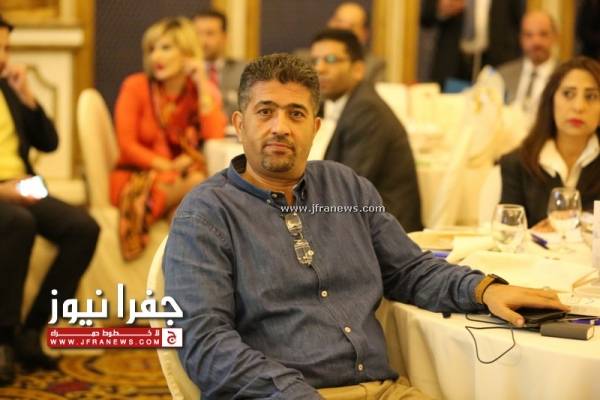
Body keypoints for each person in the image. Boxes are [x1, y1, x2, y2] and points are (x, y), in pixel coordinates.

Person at [163, 53, 567, 399]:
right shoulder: (206, 214)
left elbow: (410, 270)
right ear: (239, 123)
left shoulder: (346, 187)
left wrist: (484, 289)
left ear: (315, 127)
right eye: (265, 111)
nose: (280, 127)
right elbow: (203, 341)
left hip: (383, 390)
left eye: (296, 114)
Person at [0, 14, 99, 385]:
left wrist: (26, 95)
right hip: (3, 194)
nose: (3, 58)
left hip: (22, 184)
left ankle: (31, 331)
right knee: (18, 222)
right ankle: (3, 339)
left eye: (6, 48)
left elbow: (49, 142)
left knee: (83, 227)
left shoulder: (6, 87)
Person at [110, 16, 226, 260]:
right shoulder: (135, 86)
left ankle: (181, 266)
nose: (156, 57)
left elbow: (214, 136)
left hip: (178, 178)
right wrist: (168, 166)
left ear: (187, 52)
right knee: (199, 182)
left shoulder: (196, 91)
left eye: (165, 48)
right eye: (151, 49)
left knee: (188, 211)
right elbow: (126, 146)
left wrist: (202, 83)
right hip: (136, 176)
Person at [311, 29, 422, 232]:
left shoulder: (367, 110)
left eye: (331, 60)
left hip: (385, 229)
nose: (319, 68)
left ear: (358, 69)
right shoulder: (346, 103)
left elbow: (347, 188)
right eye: (315, 60)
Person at [500, 56, 600, 228]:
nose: (578, 106)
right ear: (550, 100)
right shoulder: (516, 163)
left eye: (591, 96)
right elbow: (507, 233)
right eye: (568, 94)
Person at [421, 0, 523, 86]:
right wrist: (441, 8)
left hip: (494, 60)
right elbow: (426, 16)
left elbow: (518, 23)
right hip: (453, 61)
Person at [496, 10, 558, 114]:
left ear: (555, 37)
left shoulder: (565, 76)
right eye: (529, 35)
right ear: (520, 39)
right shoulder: (502, 75)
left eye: (543, 34)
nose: (536, 42)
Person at [192, 8, 246, 121]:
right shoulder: (183, 74)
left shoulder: (243, 71)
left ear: (224, 37)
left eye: (210, 34)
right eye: (197, 34)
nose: (203, 41)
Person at [327, 1, 386, 83]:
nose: (342, 31)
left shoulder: (374, 66)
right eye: (338, 22)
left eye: (351, 27)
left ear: (364, 34)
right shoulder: (309, 60)